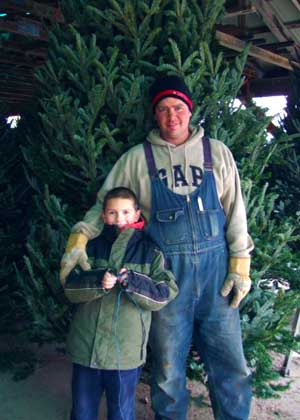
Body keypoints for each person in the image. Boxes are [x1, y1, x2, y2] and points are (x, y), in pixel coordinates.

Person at [60, 75, 254, 420]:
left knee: (231, 367)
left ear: (190, 111)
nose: (172, 116)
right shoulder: (137, 159)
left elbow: (236, 211)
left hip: (217, 281)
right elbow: (103, 205)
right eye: (163, 109)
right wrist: (79, 239)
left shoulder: (217, 153)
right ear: (155, 114)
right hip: (166, 282)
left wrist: (241, 264)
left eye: (178, 107)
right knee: (167, 371)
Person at [64, 186, 178, 420]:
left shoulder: (151, 252)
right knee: (82, 411)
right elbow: (70, 287)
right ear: (104, 216)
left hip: (124, 355)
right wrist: (97, 281)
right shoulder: (91, 247)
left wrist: (133, 281)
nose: (120, 219)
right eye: (113, 213)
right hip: (87, 350)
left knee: (121, 413)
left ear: (137, 214)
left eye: (126, 212)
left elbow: (164, 293)